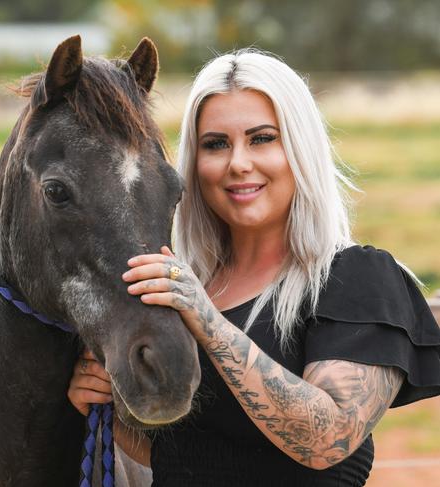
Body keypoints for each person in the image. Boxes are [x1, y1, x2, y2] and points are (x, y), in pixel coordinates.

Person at [67, 49, 440, 486]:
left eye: (262, 138)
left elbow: (327, 439)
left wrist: (206, 318)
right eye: (216, 144)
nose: (238, 163)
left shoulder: (355, 278)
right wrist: (108, 410)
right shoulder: (185, 284)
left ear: (299, 147)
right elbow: (185, 456)